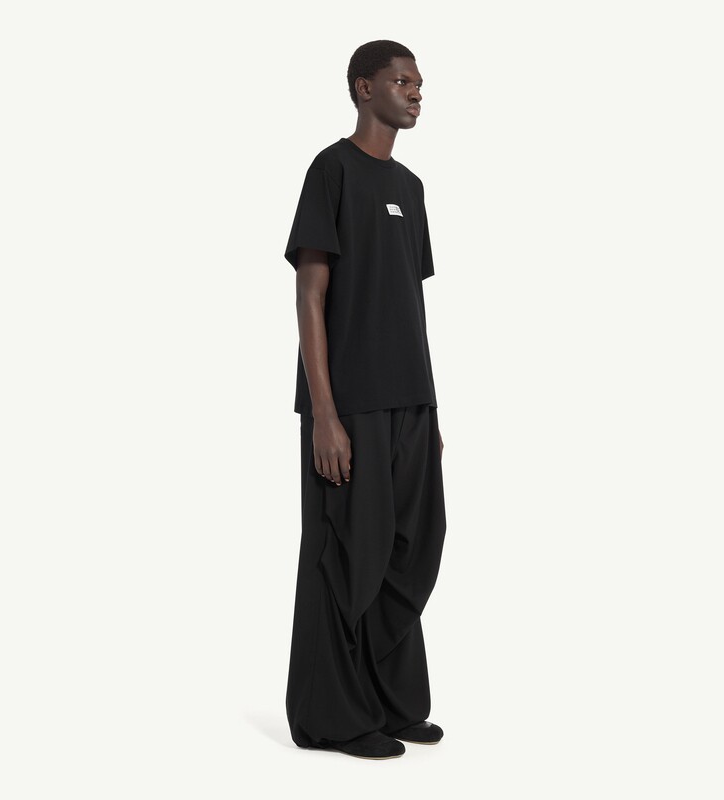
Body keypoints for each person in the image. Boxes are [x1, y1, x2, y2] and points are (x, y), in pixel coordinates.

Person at [283, 40, 447, 760]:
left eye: (419, 83)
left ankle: (391, 700)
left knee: (411, 550)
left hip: (410, 402)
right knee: (346, 554)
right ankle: (332, 718)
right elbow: (310, 295)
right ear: (363, 88)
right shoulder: (332, 171)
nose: (415, 92)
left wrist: (431, 410)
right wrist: (324, 414)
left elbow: (409, 304)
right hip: (349, 405)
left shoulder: (411, 187)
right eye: (401, 81)